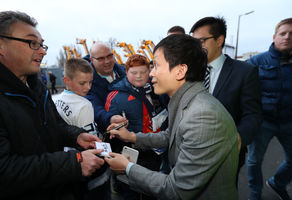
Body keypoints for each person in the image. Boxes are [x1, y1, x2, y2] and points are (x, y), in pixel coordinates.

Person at [105, 34, 239, 200]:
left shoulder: (203, 116)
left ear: (180, 71)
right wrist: (131, 136)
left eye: (156, 66)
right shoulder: (186, 101)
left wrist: (128, 168)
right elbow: (171, 136)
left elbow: (177, 190)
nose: (151, 73)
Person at [0, 11, 105, 200]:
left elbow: (55, 125)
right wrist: (73, 163)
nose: (43, 51)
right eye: (31, 43)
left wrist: (76, 136)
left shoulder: (37, 86)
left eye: (41, 44)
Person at [190, 16, 262, 183]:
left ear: (219, 40)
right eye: (194, 42)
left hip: (226, 155)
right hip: (191, 152)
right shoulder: (188, 72)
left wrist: (238, 138)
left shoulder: (245, 72)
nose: (197, 47)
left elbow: (253, 115)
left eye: (202, 41)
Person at [105, 54, 168, 200]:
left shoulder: (158, 90)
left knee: (152, 190)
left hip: (156, 150)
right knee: (130, 193)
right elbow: (109, 128)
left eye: (143, 72)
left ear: (150, 71)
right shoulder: (115, 95)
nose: (139, 76)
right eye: (134, 73)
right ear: (126, 72)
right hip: (131, 153)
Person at [52, 58, 111, 200]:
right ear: (66, 81)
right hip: (83, 164)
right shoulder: (84, 104)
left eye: (90, 82)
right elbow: (91, 143)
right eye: (82, 83)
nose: (88, 87)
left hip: (64, 160)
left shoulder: (54, 99)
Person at [247, 18, 292, 200]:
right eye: (283, 33)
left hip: (289, 123)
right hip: (263, 123)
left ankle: (277, 183)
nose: (287, 37)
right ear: (274, 36)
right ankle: (255, 193)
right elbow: (243, 93)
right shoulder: (256, 62)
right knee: (254, 160)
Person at [83, 42, 126, 133]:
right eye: (101, 58)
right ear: (92, 60)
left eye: (109, 56)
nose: (107, 61)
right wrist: (110, 118)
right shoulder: (87, 83)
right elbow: (94, 106)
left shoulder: (125, 73)